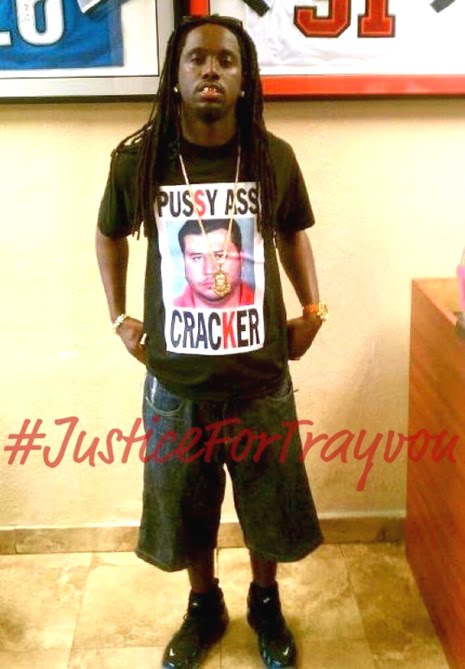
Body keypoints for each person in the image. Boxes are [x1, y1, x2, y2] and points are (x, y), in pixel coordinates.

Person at [96, 14, 327, 669]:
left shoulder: (272, 156)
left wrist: (313, 309)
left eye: (226, 60)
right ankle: (204, 606)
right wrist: (119, 318)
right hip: (177, 383)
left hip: (260, 378)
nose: (210, 70)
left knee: (268, 506)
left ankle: (264, 602)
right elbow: (108, 233)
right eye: (197, 58)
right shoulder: (139, 160)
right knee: (188, 509)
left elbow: (293, 232)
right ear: (174, 74)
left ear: (244, 79)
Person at [174, 217, 255, 308]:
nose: (209, 271)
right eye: (197, 258)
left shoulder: (264, 304)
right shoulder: (169, 308)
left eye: (220, 256)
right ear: (183, 262)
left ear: (242, 258)